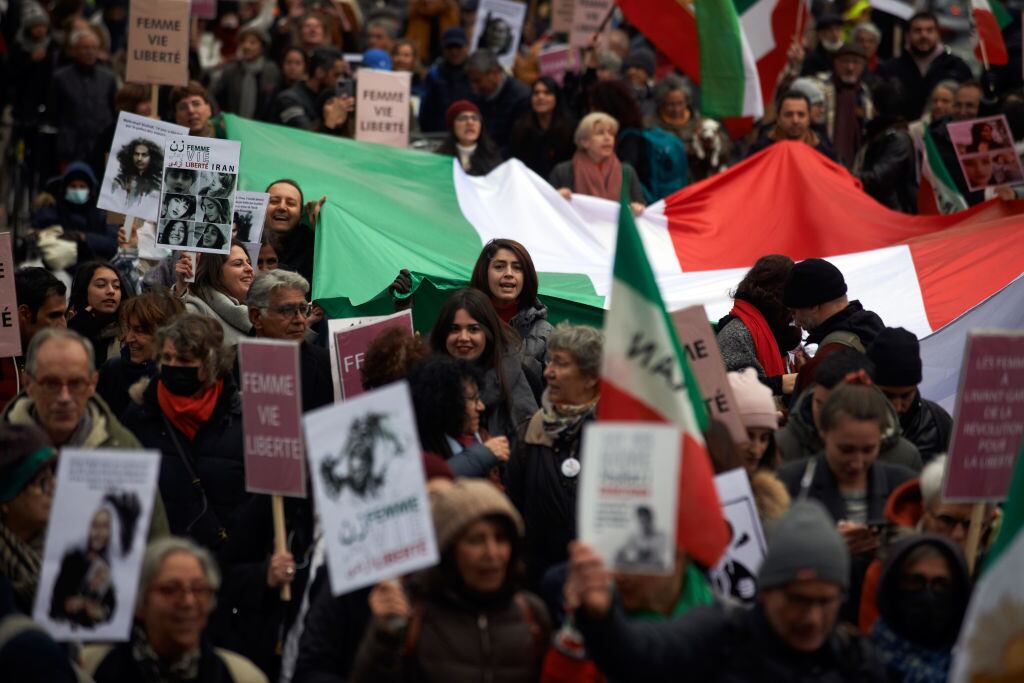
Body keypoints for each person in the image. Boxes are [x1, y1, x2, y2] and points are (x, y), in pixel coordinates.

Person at [567, 500, 887, 681]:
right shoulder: (719, 635)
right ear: (765, 591)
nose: (812, 617)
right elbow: (645, 654)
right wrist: (602, 618)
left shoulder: (856, 661)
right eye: (798, 600)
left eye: (826, 601)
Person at [350, 478, 551, 682]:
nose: (492, 553)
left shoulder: (531, 614)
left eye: (500, 539)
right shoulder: (412, 615)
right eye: (476, 540)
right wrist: (385, 638)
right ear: (448, 550)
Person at [777, 380, 918, 622]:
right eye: (846, 449)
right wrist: (827, 548)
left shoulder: (904, 486)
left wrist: (888, 546)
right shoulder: (791, 485)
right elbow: (772, 564)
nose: (857, 462)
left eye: (868, 450)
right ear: (824, 433)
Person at [121, 315, 247, 551]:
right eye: (167, 357)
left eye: (184, 359)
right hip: (161, 557)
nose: (174, 365)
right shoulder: (140, 414)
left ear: (210, 364)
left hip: (227, 558)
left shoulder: (242, 418)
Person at [81, 537, 267, 683]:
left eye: (199, 589)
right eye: (170, 589)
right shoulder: (88, 669)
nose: (188, 602)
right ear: (140, 602)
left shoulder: (241, 677)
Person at [506, 322, 601, 586]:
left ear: (591, 376)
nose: (548, 373)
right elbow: (515, 505)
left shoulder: (614, 434)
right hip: (539, 580)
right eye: (549, 363)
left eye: (560, 364)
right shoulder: (532, 430)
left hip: (599, 580)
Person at [777, 348, 922, 470]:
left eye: (867, 450)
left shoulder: (904, 458)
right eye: (819, 404)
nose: (824, 415)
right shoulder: (780, 449)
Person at [429, 289, 537, 442]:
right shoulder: (426, 384)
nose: (464, 338)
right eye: (454, 329)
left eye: (473, 329)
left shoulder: (514, 376)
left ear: (488, 333)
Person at [870, 536, 971, 682]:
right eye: (915, 582)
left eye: (941, 584)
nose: (928, 594)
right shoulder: (859, 665)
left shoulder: (974, 669)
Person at [783, 257, 885, 394]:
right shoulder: (872, 326)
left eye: (794, 312)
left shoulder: (822, 365)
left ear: (813, 306)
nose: (795, 321)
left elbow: (813, 414)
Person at [407, 355, 509, 477]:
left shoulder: (484, 437)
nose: (481, 407)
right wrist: (484, 455)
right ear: (445, 404)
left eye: (479, 398)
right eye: (472, 399)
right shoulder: (417, 452)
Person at [246, 270, 333, 412]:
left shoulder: (328, 365)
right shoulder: (227, 366)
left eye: (303, 309)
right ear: (256, 317)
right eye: (287, 310)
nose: (299, 320)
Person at [716, 254, 800, 396]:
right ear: (779, 292)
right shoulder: (737, 332)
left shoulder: (778, 332)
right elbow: (732, 387)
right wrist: (780, 384)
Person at [867, 327, 952, 464]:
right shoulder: (851, 422)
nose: (897, 406)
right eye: (888, 396)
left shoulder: (938, 422)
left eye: (906, 396)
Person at [97, 290, 184, 418]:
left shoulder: (180, 386)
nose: (128, 338)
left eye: (140, 330)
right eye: (129, 328)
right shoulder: (112, 370)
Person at [468, 238, 552, 367]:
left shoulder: (545, 334)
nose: (508, 273)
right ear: (485, 273)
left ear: (526, 276)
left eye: (517, 268)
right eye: (499, 267)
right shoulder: (461, 321)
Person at [0, 424, 57, 614]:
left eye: (53, 478)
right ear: (6, 499)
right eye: (42, 483)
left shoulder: (69, 546)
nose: (53, 490)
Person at [45, 28, 117, 174]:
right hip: (71, 147)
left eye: (93, 48)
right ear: (75, 50)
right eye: (85, 47)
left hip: (100, 146)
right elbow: (53, 112)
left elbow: (112, 109)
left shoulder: (108, 78)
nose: (89, 51)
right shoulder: (60, 77)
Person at [876, 12, 971, 120]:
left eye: (929, 30)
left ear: (938, 34)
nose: (924, 35)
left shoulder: (956, 67)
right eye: (918, 30)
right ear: (907, 35)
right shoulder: (890, 69)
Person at [550, 112, 645, 213]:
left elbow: (641, 205)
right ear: (584, 141)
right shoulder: (563, 171)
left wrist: (637, 207)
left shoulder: (626, 171)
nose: (607, 138)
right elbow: (547, 208)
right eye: (600, 133)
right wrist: (556, 198)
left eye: (611, 133)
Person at [31, 161, 117, 262]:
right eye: (73, 186)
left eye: (82, 187)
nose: (77, 190)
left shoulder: (102, 215)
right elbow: (34, 232)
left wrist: (83, 237)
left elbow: (112, 243)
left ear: (90, 190)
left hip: (92, 267)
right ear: (65, 188)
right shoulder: (52, 211)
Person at [651, 74, 730, 183]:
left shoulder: (700, 122)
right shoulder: (652, 126)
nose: (676, 109)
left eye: (680, 103)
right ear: (662, 103)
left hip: (697, 180)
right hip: (668, 183)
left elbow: (725, 149)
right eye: (671, 105)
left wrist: (708, 147)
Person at [48, 505, 116, 628]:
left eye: (105, 527)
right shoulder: (72, 559)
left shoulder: (108, 564)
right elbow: (55, 602)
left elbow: (111, 605)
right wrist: (68, 605)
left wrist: (102, 612)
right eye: (95, 526)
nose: (99, 533)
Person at [175, 243, 255, 345]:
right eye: (238, 264)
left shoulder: (259, 310)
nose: (250, 269)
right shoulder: (196, 312)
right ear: (215, 273)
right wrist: (179, 289)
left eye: (249, 263)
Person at [464, 49, 531, 155]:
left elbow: (517, 144)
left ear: (494, 74)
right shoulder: (476, 97)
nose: (474, 88)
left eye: (478, 81)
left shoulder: (521, 98)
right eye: (471, 82)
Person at [510, 76, 577, 179]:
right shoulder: (520, 128)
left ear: (556, 98)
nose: (541, 97)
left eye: (547, 93)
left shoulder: (570, 128)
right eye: (536, 93)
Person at [67, 260, 131, 367]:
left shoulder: (129, 331)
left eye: (116, 286)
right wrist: (77, 330)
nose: (111, 291)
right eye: (101, 285)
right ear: (84, 290)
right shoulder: (68, 326)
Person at [211, 26, 282, 121]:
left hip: (263, 127)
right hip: (234, 124)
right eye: (243, 42)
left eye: (252, 43)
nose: (246, 46)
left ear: (262, 46)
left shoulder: (271, 70)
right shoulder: (231, 70)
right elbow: (214, 96)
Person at [263, 179, 325, 285]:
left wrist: (322, 228)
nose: (282, 207)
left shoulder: (315, 248)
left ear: (301, 214)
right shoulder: (240, 241)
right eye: (274, 201)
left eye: (290, 203)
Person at [747, 91, 836, 160]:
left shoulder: (825, 153)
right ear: (778, 118)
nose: (795, 121)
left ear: (809, 118)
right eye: (788, 115)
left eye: (801, 115)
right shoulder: (760, 152)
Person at [272, 47, 346, 130]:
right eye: (336, 75)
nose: (340, 81)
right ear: (320, 72)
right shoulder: (289, 99)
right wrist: (330, 122)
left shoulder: (330, 98)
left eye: (343, 75)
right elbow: (305, 137)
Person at [418, 27, 474, 132]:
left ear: (467, 47)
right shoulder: (434, 75)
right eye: (450, 47)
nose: (454, 52)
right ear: (443, 49)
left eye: (458, 47)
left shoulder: (475, 75)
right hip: (439, 134)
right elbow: (425, 111)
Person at [436, 100, 502, 175]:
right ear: (452, 126)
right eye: (463, 118)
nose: (470, 122)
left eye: (475, 118)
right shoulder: (440, 158)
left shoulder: (493, 157)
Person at [405, 0, 460, 68]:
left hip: (446, 63)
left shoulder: (452, 13)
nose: (428, 1)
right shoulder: (414, 13)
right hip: (419, 62)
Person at [111, 138, 162, 209]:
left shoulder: (156, 186)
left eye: (144, 155)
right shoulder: (120, 181)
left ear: (152, 158)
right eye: (136, 154)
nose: (139, 158)